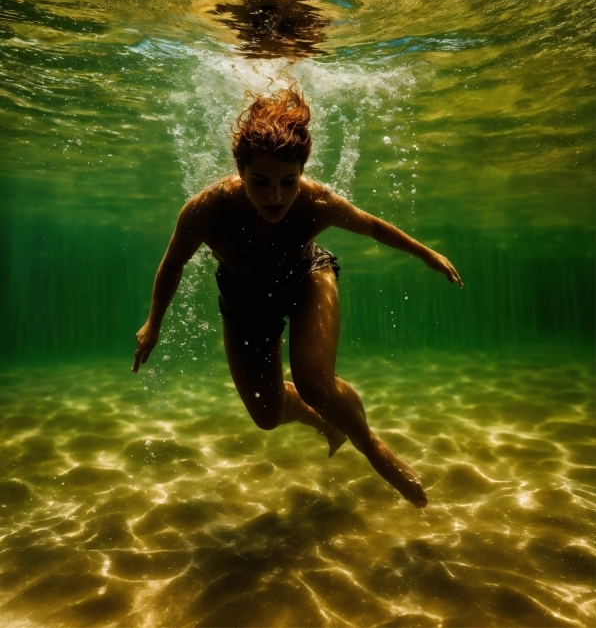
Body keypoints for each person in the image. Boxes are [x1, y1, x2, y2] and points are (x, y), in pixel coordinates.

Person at [132, 88, 463, 508]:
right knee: (267, 416)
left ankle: (373, 447)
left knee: (313, 382)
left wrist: (427, 253)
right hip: (243, 301)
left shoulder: (316, 200)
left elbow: (372, 227)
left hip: (307, 277)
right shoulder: (206, 210)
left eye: (288, 182)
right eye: (261, 182)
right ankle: (328, 423)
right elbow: (173, 264)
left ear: (302, 172)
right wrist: (153, 323)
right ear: (239, 169)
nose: (275, 196)